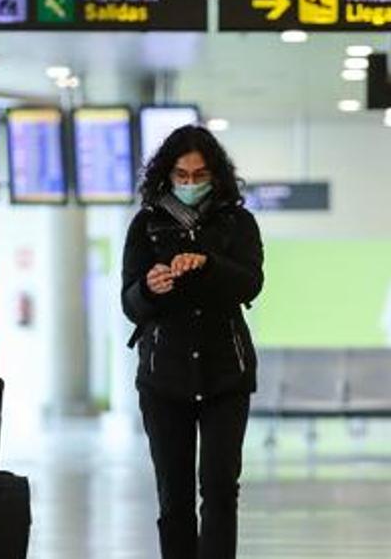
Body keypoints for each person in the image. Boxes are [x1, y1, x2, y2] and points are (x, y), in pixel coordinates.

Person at [122, 126, 264, 559]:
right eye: (181, 175)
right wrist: (149, 287)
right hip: (164, 377)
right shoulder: (146, 225)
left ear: (215, 175)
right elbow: (130, 303)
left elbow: (251, 284)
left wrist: (207, 264)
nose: (189, 183)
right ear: (167, 175)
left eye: (198, 174)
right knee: (174, 495)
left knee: (220, 491)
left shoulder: (238, 222)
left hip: (226, 373)